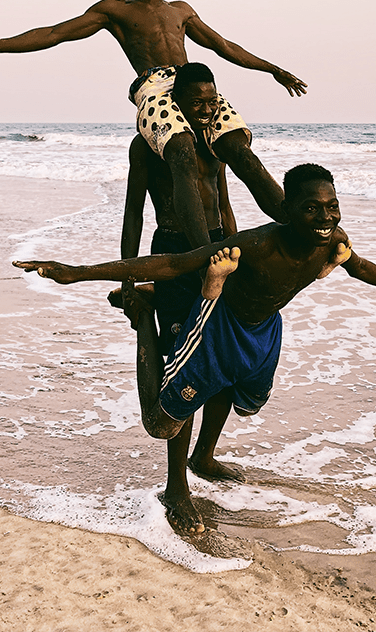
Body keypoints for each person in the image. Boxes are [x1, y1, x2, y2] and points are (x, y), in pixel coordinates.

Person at [14, 163, 376, 533]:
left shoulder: (333, 240)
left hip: (263, 329)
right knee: (166, 416)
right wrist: (78, 271)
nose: (325, 216)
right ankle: (176, 488)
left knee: (239, 395)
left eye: (332, 206)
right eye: (311, 208)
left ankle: (203, 457)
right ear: (286, 210)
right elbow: (176, 262)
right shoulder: (259, 244)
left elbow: (360, 267)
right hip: (219, 321)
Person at [0, 0, 306, 249]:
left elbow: (222, 45)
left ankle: (298, 226)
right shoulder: (115, 10)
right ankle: (204, 253)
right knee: (181, 152)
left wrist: (272, 69)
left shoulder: (181, 11)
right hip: (155, 88)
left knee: (238, 147)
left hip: (195, 84)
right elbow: (53, 34)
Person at [111, 61, 243, 533]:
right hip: (174, 254)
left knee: (225, 362)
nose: (207, 111)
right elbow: (133, 214)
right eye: (197, 103)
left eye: (213, 102)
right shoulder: (150, 146)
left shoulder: (216, 140)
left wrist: (235, 247)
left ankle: (204, 456)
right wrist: (129, 279)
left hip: (221, 254)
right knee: (182, 368)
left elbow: (223, 197)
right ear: (174, 102)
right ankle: (175, 487)